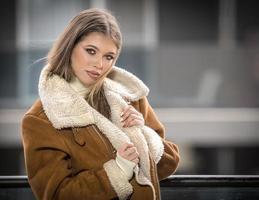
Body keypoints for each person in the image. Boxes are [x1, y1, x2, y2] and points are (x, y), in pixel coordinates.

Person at [21, 8, 180, 200]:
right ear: (70, 47)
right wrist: (118, 170)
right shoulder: (41, 120)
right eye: (91, 51)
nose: (99, 64)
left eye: (109, 57)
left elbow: (169, 163)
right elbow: (56, 194)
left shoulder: (130, 98)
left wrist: (142, 132)